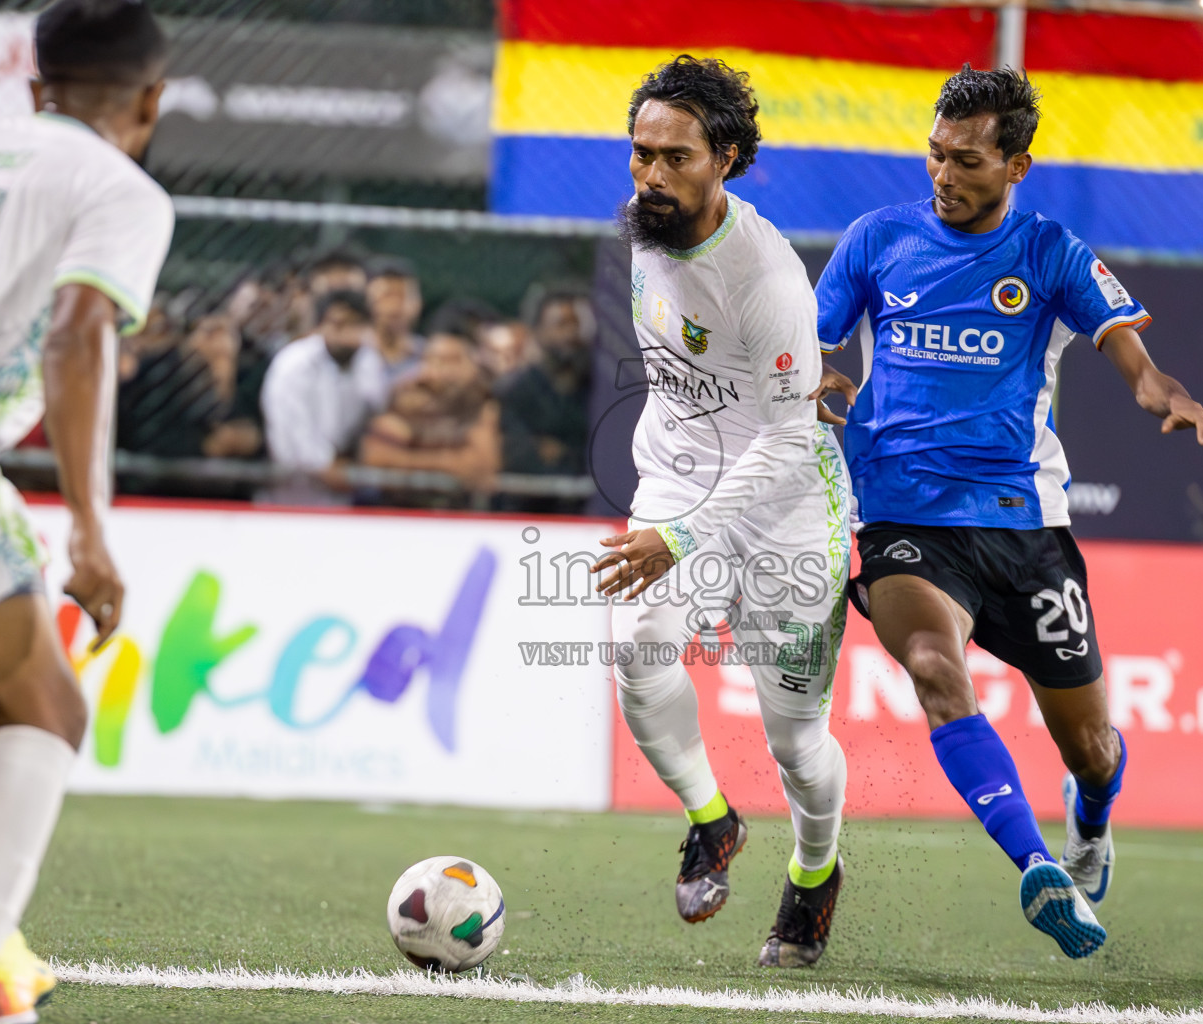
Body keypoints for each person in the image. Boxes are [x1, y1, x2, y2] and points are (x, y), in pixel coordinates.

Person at [811, 65, 1203, 960]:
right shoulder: (875, 240)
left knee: (1090, 747)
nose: (944, 175)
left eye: (968, 160)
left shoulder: (1049, 250)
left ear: (1018, 166)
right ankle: (1036, 866)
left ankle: (1090, 819)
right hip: (901, 513)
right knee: (933, 666)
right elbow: (810, 350)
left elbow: (1134, 356)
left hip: (1023, 525)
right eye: (935, 154)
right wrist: (822, 379)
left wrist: (1166, 394)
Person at [0, 2, 174, 1022]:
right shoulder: (120, 189)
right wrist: (90, 533)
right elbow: (77, 337)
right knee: (49, 708)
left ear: (34, 86)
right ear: (152, 100)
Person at [589, 56, 852, 969]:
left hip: (785, 508)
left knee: (796, 739)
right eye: (639, 154)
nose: (651, 176)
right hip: (675, 477)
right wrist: (674, 513)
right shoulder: (645, 227)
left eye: (674, 158)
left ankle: (815, 873)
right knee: (636, 652)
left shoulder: (767, 275)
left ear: (727, 159)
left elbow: (783, 443)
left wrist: (682, 537)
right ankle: (713, 820)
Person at [260, 289, 388, 490]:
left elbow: (374, 414)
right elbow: (290, 435)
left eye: (355, 324)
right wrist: (326, 466)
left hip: (344, 489)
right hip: (290, 490)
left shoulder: (369, 361)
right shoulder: (293, 363)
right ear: (320, 326)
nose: (346, 333)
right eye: (337, 324)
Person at [358, 332, 501, 492]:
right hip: (402, 509)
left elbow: (478, 466)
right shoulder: (406, 400)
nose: (442, 370)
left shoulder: (479, 405)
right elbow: (378, 458)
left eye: (452, 361)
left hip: (459, 510)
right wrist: (445, 463)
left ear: (471, 366)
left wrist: (409, 460)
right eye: (433, 360)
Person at [116, 313, 262, 459]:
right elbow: (141, 435)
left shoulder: (247, 376)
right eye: (211, 333)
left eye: (227, 333)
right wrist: (206, 446)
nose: (220, 342)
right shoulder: (159, 372)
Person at [498, 290, 594, 483]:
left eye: (577, 324)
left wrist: (563, 452)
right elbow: (520, 456)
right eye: (561, 324)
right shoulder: (516, 390)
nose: (571, 334)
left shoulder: (597, 389)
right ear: (538, 330)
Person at [365, 258, 424, 383]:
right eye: (387, 295)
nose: (396, 305)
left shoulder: (428, 357)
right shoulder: (351, 353)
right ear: (367, 301)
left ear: (419, 304)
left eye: (404, 296)